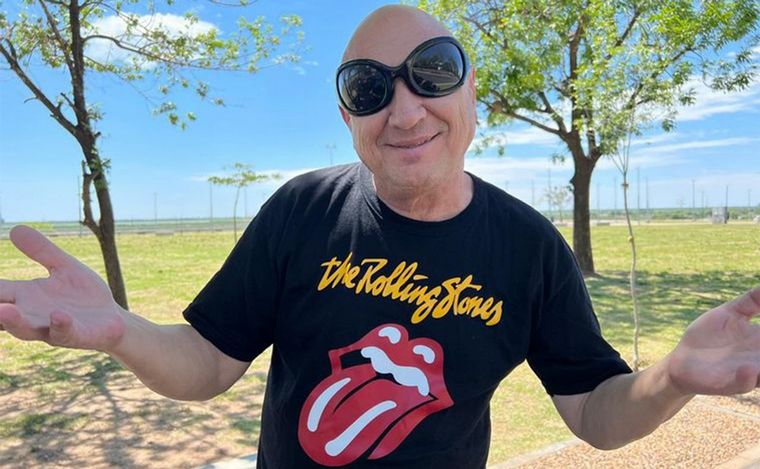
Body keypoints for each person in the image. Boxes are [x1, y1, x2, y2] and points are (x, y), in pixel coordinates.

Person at [0, 5, 758, 468]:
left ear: (472, 93)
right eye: (369, 87)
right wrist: (121, 331)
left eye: (433, 72)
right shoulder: (302, 210)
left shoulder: (527, 248)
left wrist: (673, 376)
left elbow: (594, 413)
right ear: (348, 117)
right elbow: (206, 361)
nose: (404, 109)